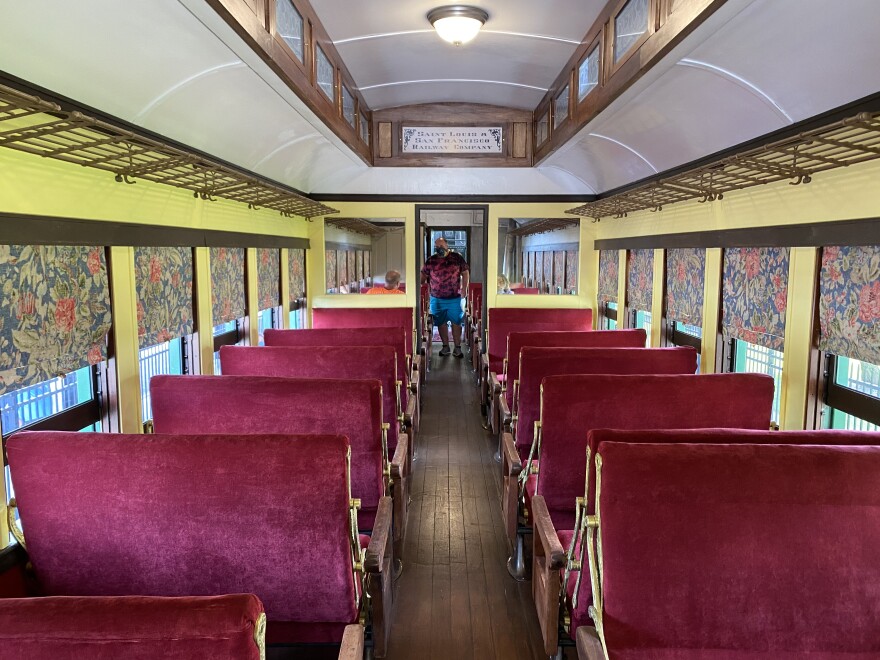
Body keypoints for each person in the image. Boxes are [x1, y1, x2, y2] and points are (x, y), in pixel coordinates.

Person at [421, 237, 469, 358]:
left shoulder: (457, 258)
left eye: (441, 246)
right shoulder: (431, 260)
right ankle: (445, 346)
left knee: (456, 322)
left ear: (447, 245)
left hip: (454, 297)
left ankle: (457, 348)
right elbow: (422, 276)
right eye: (437, 247)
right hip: (437, 298)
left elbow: (465, 272)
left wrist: (464, 288)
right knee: (440, 322)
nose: (439, 249)